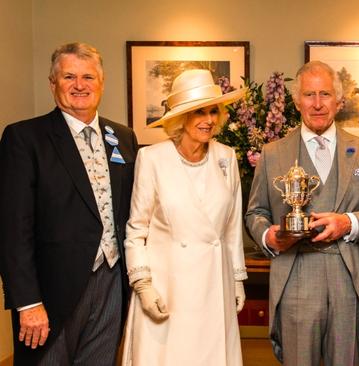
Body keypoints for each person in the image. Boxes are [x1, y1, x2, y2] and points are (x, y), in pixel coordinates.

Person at [245, 61, 359, 366]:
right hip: (295, 275)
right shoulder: (272, 154)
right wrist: (268, 235)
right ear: (297, 100)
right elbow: (255, 213)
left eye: (325, 94)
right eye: (309, 94)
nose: (316, 104)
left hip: (348, 277)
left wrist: (347, 223)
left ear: (339, 101)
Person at [0, 42, 139, 365]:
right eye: (69, 77)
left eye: (89, 77)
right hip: (50, 293)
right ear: (53, 84)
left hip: (112, 281)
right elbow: (12, 229)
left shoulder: (123, 137)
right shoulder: (25, 138)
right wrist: (27, 302)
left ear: (101, 84)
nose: (80, 85)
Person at [121, 69, 247, 365]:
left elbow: (231, 228)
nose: (210, 120)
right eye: (199, 112)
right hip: (167, 290)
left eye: (214, 111)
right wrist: (143, 285)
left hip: (214, 286)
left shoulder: (226, 157)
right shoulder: (152, 158)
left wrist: (237, 278)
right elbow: (137, 229)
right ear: (180, 118)